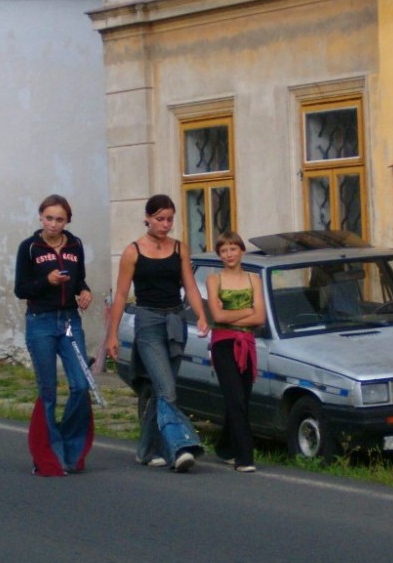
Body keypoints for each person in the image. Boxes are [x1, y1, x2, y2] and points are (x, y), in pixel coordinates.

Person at [105, 194, 208, 472]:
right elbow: (122, 295)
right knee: (167, 389)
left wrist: (200, 315)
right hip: (148, 321)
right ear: (148, 219)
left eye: (170, 219)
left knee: (160, 391)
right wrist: (112, 335)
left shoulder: (179, 249)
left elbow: (190, 284)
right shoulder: (133, 251)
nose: (165, 224)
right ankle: (180, 447)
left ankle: (145, 450)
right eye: (160, 219)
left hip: (175, 320)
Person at [14, 194, 94, 477]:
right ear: (40, 217)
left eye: (60, 219)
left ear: (67, 221)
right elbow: (21, 289)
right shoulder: (30, 248)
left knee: (81, 386)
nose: (54, 224)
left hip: (70, 320)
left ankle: (71, 450)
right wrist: (45, 281)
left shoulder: (75, 245)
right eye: (49, 218)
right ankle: (48, 456)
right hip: (41, 322)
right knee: (47, 391)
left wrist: (84, 291)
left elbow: (79, 278)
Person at [206, 231, 266, 473]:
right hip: (223, 344)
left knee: (243, 397)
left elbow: (261, 317)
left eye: (233, 249)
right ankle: (245, 458)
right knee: (235, 398)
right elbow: (217, 316)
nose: (229, 254)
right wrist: (247, 312)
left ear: (241, 250)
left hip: (247, 345)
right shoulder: (214, 279)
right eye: (224, 250)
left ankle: (225, 447)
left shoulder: (254, 279)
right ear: (219, 255)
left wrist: (241, 315)